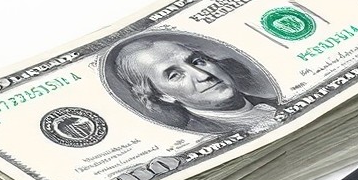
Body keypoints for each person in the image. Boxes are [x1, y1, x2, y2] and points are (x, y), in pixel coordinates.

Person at [111, 37, 280, 134]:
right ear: (162, 95)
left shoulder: (276, 99)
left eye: (198, 62)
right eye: (175, 75)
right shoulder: (204, 133)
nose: (203, 76)